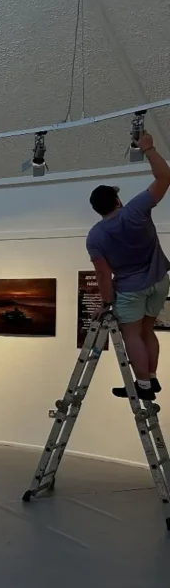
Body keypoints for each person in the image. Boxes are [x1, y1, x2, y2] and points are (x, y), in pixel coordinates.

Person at [87, 130, 170, 400]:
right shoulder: (135, 209)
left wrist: (106, 302)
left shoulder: (95, 236)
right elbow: (164, 177)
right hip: (160, 281)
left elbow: (103, 274)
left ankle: (143, 386)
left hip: (130, 289)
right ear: (117, 201)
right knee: (147, 330)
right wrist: (149, 149)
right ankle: (152, 378)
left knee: (132, 334)